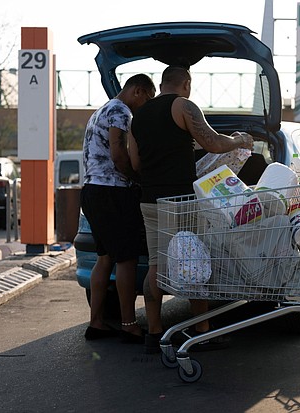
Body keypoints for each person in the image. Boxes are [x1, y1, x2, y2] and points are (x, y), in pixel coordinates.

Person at [129, 66, 254, 353]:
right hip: (182, 201)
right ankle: (202, 331)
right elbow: (212, 142)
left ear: (161, 84)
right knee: (194, 259)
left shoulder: (139, 117)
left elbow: (135, 163)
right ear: (185, 83)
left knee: (156, 265)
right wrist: (240, 141)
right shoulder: (183, 106)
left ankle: (155, 333)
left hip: (150, 200)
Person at [81, 74, 156, 341]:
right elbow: (118, 152)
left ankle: (96, 322)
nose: (146, 106)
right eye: (148, 98)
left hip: (91, 191)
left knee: (105, 258)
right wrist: (137, 179)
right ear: (138, 91)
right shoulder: (121, 111)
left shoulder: (100, 110)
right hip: (112, 192)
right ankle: (128, 324)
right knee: (127, 258)